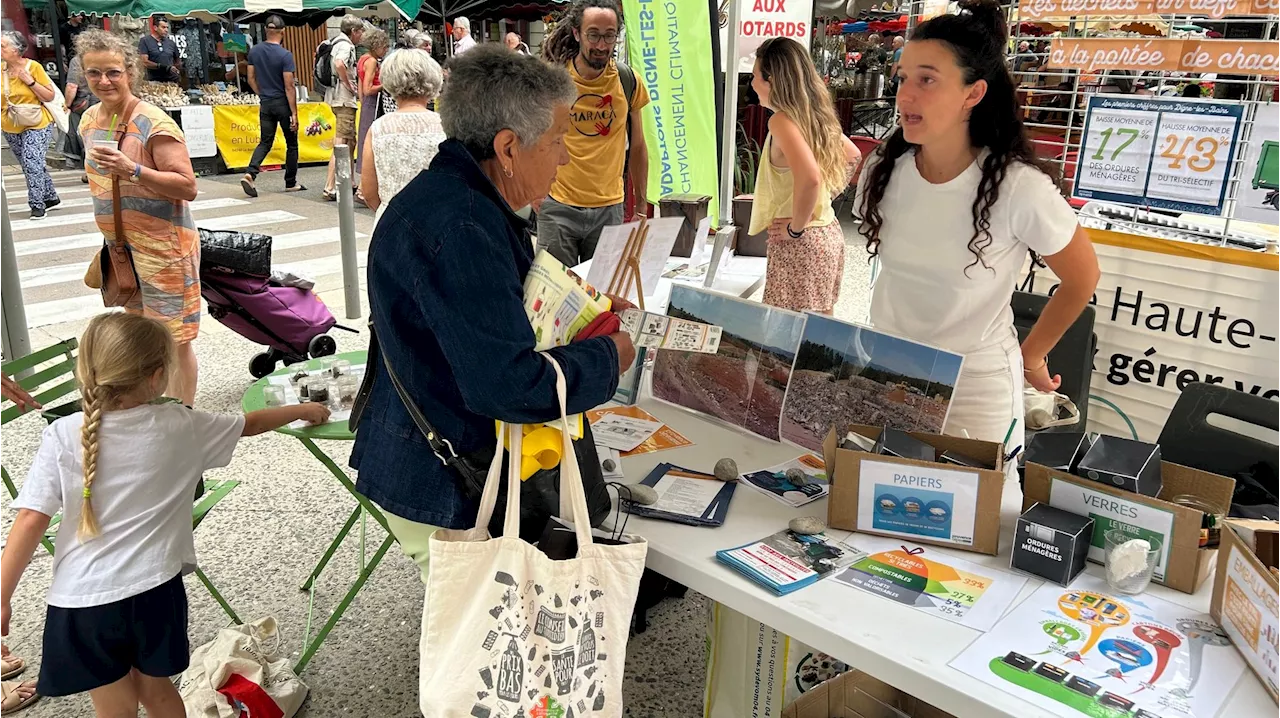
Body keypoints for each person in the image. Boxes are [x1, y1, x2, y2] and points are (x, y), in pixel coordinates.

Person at [351, 46, 634, 602]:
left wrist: (584, 317)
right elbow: (509, 383)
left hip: (437, 446)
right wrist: (611, 356)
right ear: (508, 147)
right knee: (484, 645)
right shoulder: (462, 227)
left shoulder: (454, 197)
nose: (565, 159)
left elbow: (492, 320)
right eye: (556, 142)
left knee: (489, 632)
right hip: (447, 471)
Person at [0, 313, 329, 718]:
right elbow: (252, 424)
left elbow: (31, 520)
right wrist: (304, 409)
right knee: (158, 693)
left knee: (114, 706)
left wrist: (1, 598)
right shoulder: (181, 424)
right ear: (157, 377)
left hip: (81, 603)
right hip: (154, 592)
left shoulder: (63, 434)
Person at [856, 0, 1100, 462]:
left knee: (976, 520)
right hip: (889, 375)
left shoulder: (1017, 187)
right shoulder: (885, 171)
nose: (906, 95)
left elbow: (1082, 277)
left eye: (927, 79)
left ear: (973, 93)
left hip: (975, 390)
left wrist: (1033, 355)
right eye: (903, 78)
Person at [77, 29, 204, 407]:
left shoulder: (152, 122)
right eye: (94, 73)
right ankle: (150, 417)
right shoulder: (88, 121)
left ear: (130, 72)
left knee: (173, 342)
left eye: (113, 72)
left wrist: (133, 169)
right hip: (124, 251)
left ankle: (184, 419)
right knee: (143, 339)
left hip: (165, 252)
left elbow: (186, 186)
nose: (104, 81)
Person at [748, 37, 860, 315]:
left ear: (771, 80)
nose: (751, 83)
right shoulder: (812, 117)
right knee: (817, 328)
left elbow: (810, 178)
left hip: (801, 242)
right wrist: (825, 198)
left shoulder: (781, 121)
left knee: (784, 336)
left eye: (754, 76)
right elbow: (853, 155)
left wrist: (796, 226)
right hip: (827, 234)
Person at [537, 0, 650, 267]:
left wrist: (642, 205)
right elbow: (533, 137)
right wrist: (534, 194)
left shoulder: (628, 81)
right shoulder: (555, 80)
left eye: (609, 35)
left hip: (609, 209)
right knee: (554, 297)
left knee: (602, 298)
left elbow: (638, 147)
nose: (601, 45)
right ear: (577, 33)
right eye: (594, 35)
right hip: (558, 206)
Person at [360, 49, 446, 224]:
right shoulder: (446, 126)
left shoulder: (379, 128)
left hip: (391, 223)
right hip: (438, 221)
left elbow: (369, 192)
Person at [0, 32, 60, 220]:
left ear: (16, 50)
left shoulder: (33, 67)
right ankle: (50, 197)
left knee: (31, 160)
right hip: (10, 124)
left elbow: (49, 96)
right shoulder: (1, 70)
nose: (0, 50)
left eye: (3, 46)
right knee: (30, 163)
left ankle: (37, 204)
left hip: (37, 121)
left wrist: (30, 82)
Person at [242, 15, 303, 197]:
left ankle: (250, 173)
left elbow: (250, 77)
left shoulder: (254, 52)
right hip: (282, 103)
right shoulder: (285, 55)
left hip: (266, 103)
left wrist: (261, 93)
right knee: (291, 144)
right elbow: (289, 85)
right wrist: (294, 112)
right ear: (282, 32)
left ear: (266, 31)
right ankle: (290, 182)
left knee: (265, 141)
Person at [323, 16, 364, 201]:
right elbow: (340, 64)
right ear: (354, 31)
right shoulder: (346, 46)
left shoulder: (334, 41)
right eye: (360, 31)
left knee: (350, 141)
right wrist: (349, 84)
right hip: (344, 100)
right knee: (341, 143)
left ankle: (350, 182)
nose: (361, 35)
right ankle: (330, 186)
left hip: (337, 98)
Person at [354, 27, 392, 199]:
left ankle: (362, 187)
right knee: (372, 143)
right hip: (375, 103)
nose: (385, 50)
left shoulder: (362, 58)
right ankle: (363, 189)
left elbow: (362, 87)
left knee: (365, 141)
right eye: (384, 46)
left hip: (367, 105)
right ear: (376, 45)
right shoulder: (373, 62)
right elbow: (369, 88)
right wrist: (386, 85)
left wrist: (363, 103)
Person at [62, 53, 98, 176]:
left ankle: (79, 160)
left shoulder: (78, 60)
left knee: (80, 131)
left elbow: (72, 86)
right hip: (103, 101)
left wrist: (67, 104)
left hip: (83, 103)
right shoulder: (107, 57)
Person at [138, 17, 180, 83]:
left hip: (171, 81)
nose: (166, 30)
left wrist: (175, 69)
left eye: (167, 28)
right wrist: (164, 67)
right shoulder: (145, 41)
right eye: (163, 27)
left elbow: (177, 60)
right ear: (155, 28)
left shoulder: (171, 43)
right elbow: (144, 62)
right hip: (154, 81)